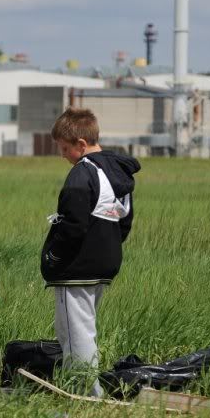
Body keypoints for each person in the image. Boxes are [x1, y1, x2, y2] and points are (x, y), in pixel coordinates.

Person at [40, 107, 141, 397]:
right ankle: (81, 388)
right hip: (104, 264)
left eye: (64, 148)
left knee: (75, 334)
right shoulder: (117, 174)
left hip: (76, 269)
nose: (63, 155)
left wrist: (53, 258)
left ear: (81, 144)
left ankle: (85, 395)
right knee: (83, 328)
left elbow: (72, 225)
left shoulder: (82, 173)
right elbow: (125, 223)